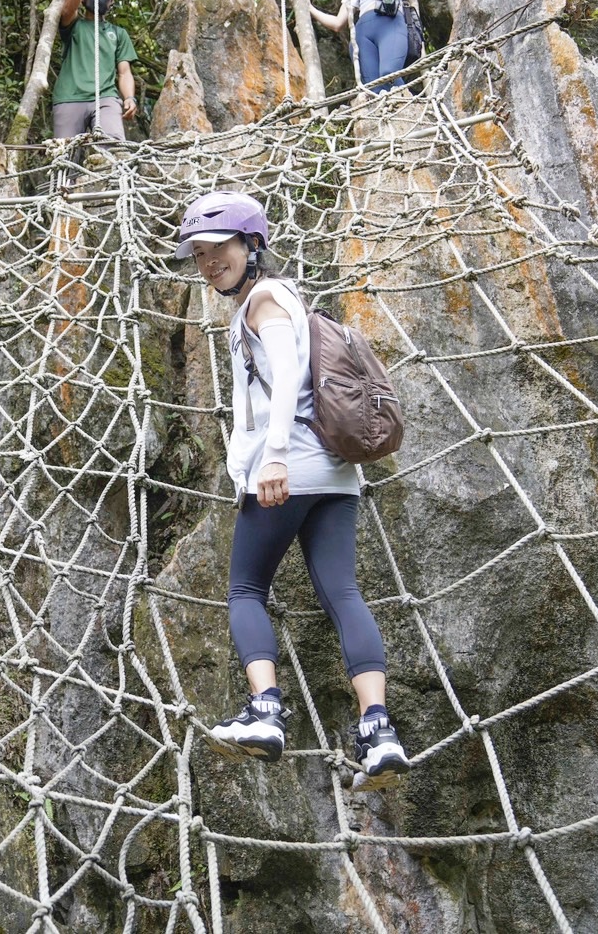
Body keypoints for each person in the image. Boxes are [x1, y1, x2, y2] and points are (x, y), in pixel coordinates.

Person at [173, 190, 409, 790]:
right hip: (334, 474)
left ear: (252, 245)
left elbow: (283, 382)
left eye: (217, 248)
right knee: (342, 593)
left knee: (246, 589)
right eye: (198, 253)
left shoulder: (264, 300)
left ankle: (266, 712)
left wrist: (273, 456)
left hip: (289, 468)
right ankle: (378, 730)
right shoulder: (276, 299)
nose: (207, 262)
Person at [51, 0, 139, 141]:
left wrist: (129, 97)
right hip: (69, 97)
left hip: (105, 98)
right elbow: (66, 10)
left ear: (112, 0)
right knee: (65, 157)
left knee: (112, 149)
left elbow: (124, 72)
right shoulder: (74, 26)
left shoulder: (118, 34)